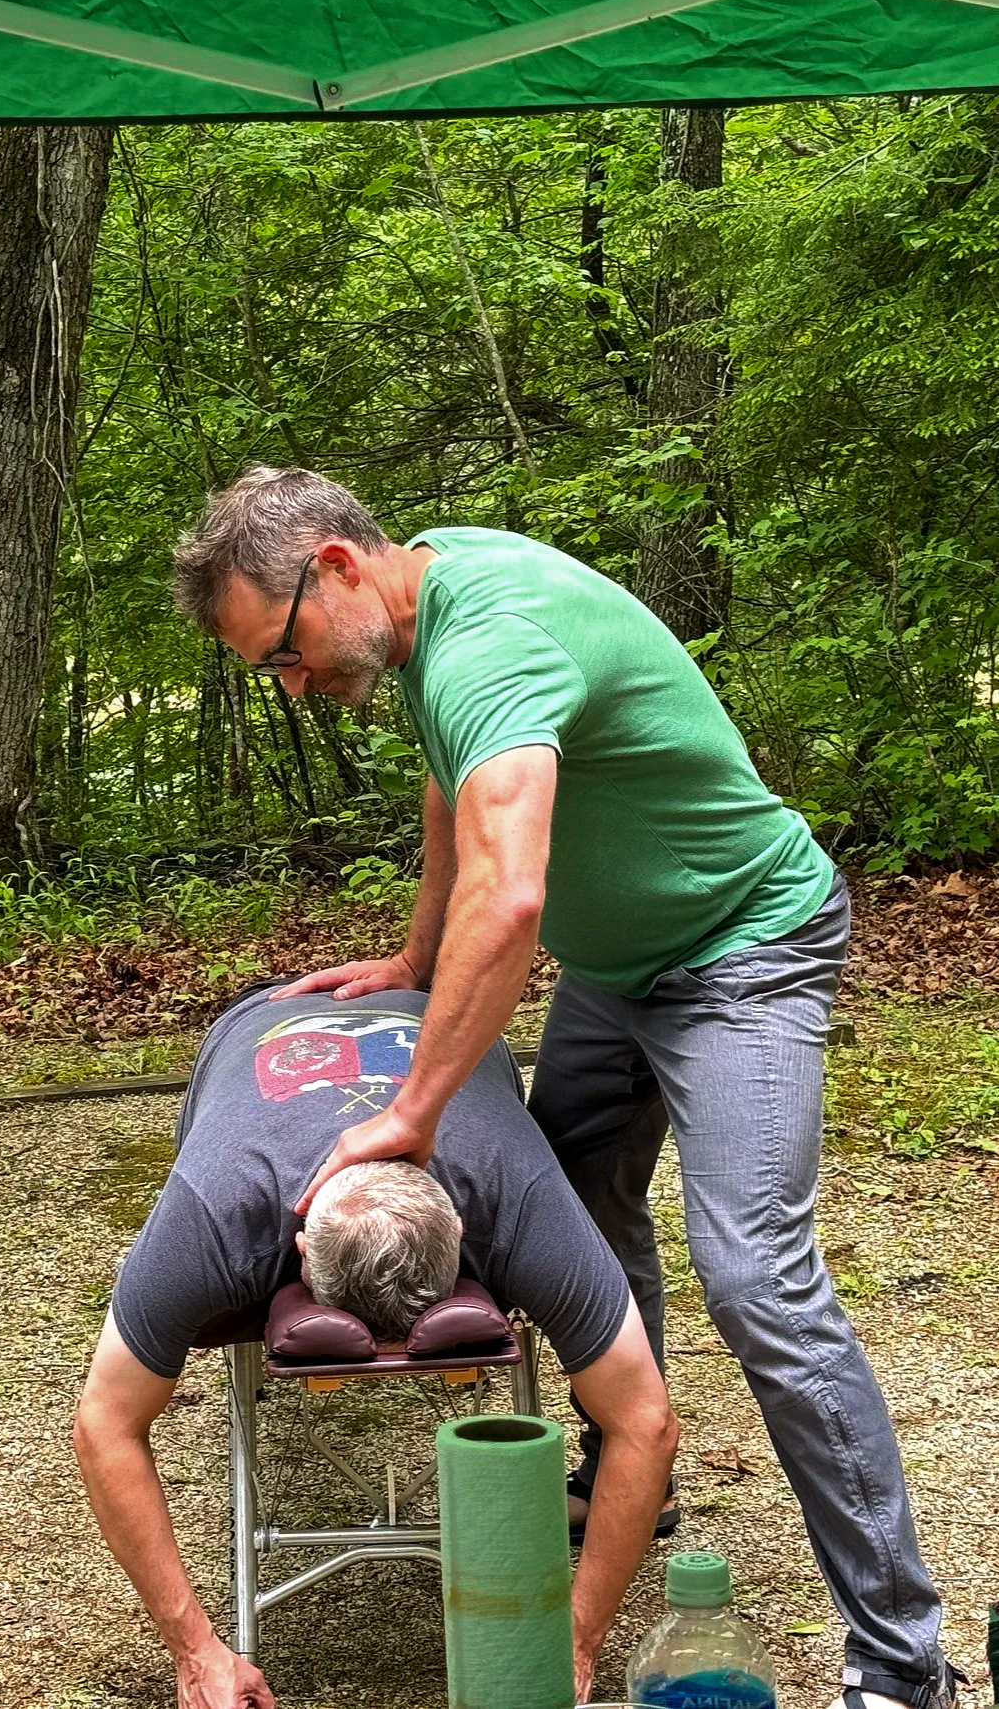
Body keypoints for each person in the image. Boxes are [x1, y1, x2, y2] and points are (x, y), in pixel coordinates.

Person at [172, 464, 958, 1709]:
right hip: (616, 967)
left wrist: (413, 1113)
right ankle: (630, 1468)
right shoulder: (423, 595)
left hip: (742, 949)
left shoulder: (490, 638)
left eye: (282, 652)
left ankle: (903, 1663)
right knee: (575, 1201)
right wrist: (414, 961)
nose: (295, 686)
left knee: (756, 1280)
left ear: (333, 566)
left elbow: (511, 895)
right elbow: (455, 780)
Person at [73, 985, 677, 1709]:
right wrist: (196, 1651)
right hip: (252, 1023)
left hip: (445, 1008)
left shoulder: (520, 1193)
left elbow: (645, 1424)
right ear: (298, 1250)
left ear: (463, 1234)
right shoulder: (212, 1208)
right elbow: (103, 1424)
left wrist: (574, 1638)